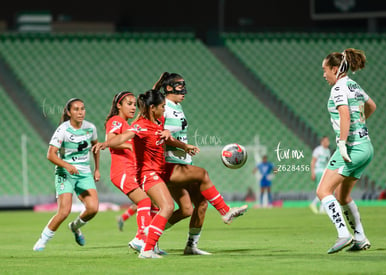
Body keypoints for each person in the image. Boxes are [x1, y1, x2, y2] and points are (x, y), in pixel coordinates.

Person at [94, 89, 248, 258]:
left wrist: (184, 146)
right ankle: (146, 248)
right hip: (147, 173)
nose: (164, 109)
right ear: (153, 108)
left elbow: (167, 138)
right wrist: (106, 143)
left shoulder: (158, 123)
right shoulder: (141, 125)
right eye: (162, 106)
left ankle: (145, 244)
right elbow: (123, 137)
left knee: (181, 202)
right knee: (166, 207)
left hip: (160, 170)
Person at [153, 72, 248, 255]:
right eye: (179, 86)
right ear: (169, 88)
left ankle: (189, 245)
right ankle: (225, 211)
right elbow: (160, 135)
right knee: (203, 173)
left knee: (197, 205)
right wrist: (184, 146)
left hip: (180, 161)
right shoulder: (163, 108)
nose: (184, 91)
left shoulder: (176, 106)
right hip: (168, 163)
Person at [317, 48, 376, 254]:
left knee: (323, 191)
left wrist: (342, 143)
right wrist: (361, 124)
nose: (324, 74)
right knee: (342, 196)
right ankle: (360, 237)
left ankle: (343, 234)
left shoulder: (338, 88)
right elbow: (371, 106)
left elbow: (344, 115)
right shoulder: (353, 84)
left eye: (325, 70)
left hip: (351, 148)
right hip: (366, 147)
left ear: (335, 69)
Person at [33, 98, 100, 251]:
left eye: (82, 109)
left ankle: (75, 227)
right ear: (69, 112)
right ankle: (42, 240)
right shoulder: (63, 129)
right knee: (64, 211)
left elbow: (96, 147)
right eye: (76, 109)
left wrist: (96, 169)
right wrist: (67, 165)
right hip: (65, 172)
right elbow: (51, 154)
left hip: (84, 173)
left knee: (93, 208)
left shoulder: (90, 128)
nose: (80, 112)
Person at [104, 91, 153, 251]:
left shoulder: (128, 125)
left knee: (151, 202)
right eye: (129, 104)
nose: (133, 107)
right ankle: (141, 238)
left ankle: (146, 240)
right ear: (119, 105)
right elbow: (110, 141)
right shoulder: (116, 120)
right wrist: (131, 146)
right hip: (122, 170)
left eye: (134, 104)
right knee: (145, 201)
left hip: (131, 170)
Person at [309, 136, 331, 214]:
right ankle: (314, 204)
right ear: (322, 142)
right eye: (326, 141)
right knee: (322, 190)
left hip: (324, 172)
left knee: (325, 190)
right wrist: (313, 172)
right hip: (319, 171)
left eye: (328, 141)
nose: (327, 142)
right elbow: (313, 162)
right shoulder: (318, 150)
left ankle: (322, 208)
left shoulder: (328, 151)